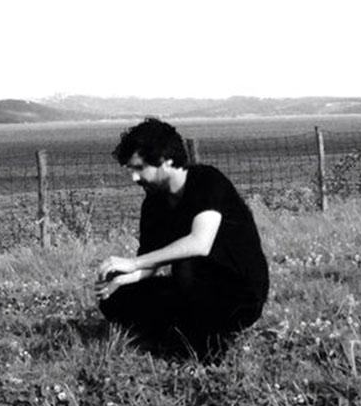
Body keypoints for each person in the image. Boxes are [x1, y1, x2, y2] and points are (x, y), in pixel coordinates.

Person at [96, 118, 269, 357]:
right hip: (191, 290)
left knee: (187, 265)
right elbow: (149, 264)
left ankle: (205, 348)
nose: (134, 178)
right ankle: (181, 335)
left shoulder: (207, 181)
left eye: (139, 168)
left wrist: (134, 263)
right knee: (115, 297)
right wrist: (123, 278)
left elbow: (200, 243)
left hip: (239, 293)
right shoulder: (153, 204)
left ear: (165, 160)